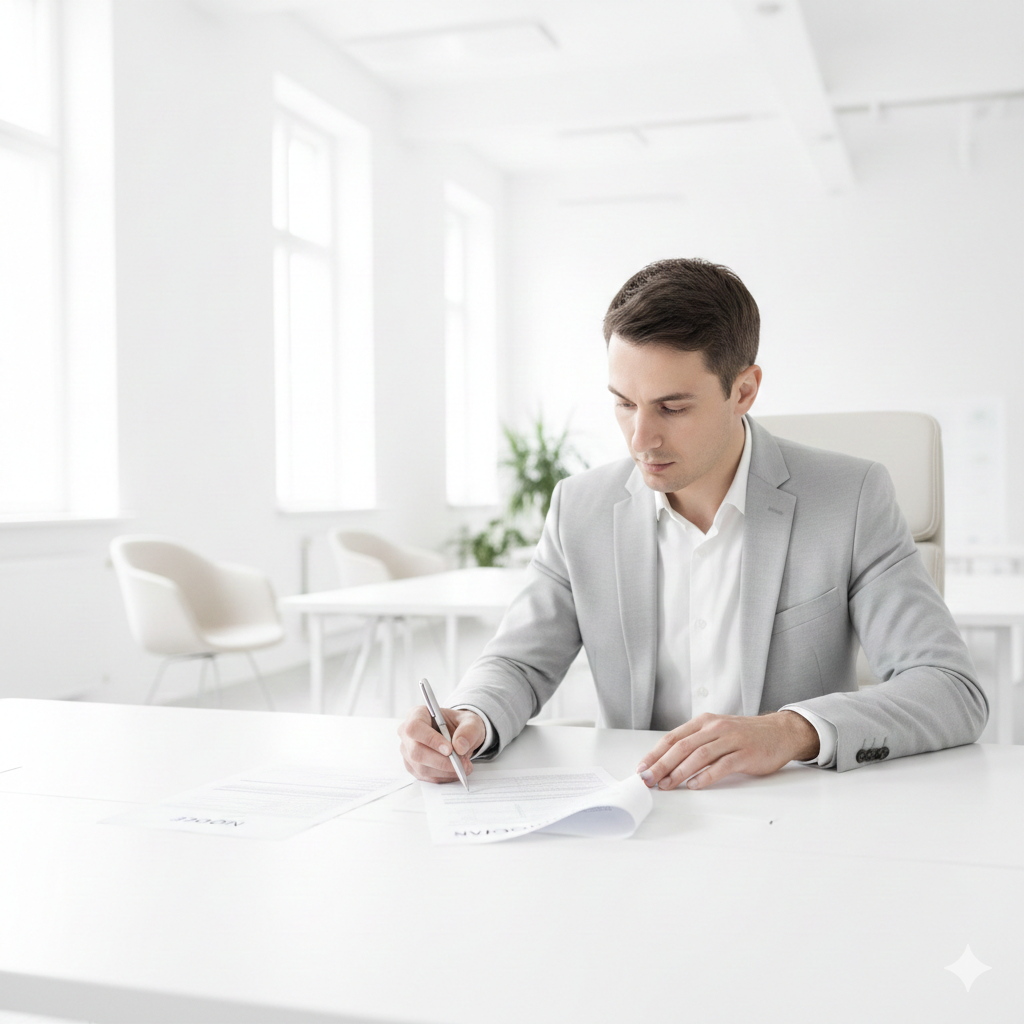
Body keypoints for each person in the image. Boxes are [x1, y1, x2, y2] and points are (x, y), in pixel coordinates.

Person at [398, 258, 987, 791]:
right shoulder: (579, 507)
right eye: (624, 403)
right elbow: (519, 663)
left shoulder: (851, 498)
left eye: (672, 408)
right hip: (636, 813)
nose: (640, 439)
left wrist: (788, 731)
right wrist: (470, 716)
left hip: (790, 812)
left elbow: (949, 688)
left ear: (744, 391)